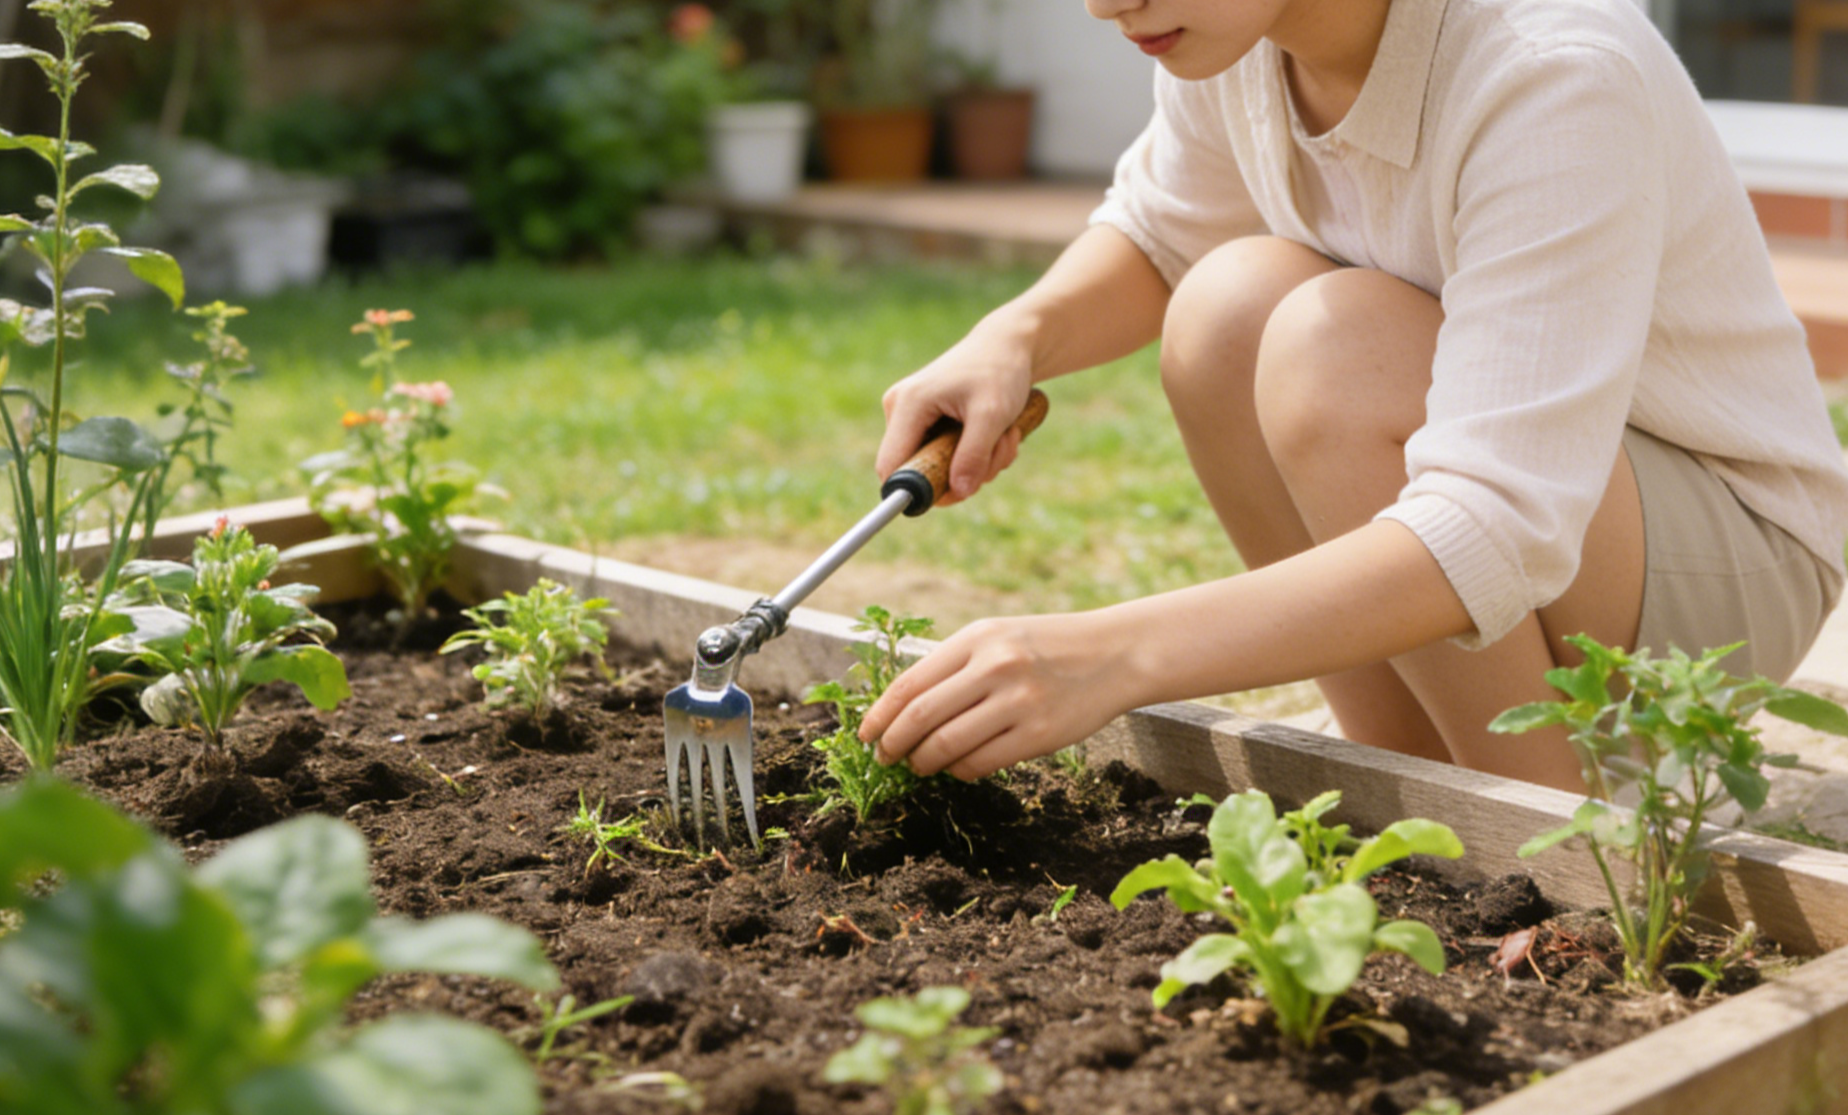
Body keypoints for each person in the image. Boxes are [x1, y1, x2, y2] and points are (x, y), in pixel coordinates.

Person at [856, 0, 1848, 793]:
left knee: (1335, 348)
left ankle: (1556, 839)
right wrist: (1013, 340)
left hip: (1723, 552)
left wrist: (1114, 655)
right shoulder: (1240, 36)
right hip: (1559, 514)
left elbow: (1499, 523)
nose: (1104, 4)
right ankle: (1401, 775)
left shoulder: (1550, 69)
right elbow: (1164, 236)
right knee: (1226, 308)